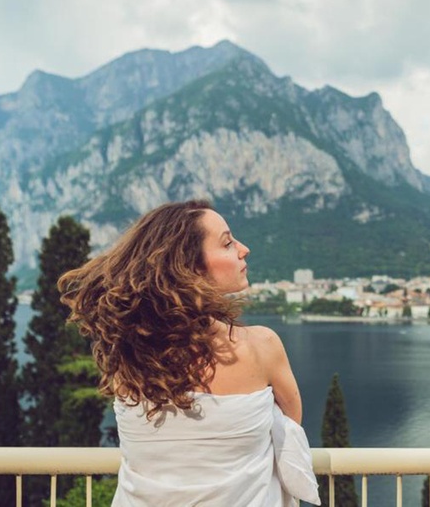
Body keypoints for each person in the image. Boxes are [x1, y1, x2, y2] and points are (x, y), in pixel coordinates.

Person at [58, 200, 319, 506]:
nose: (243, 248)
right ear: (189, 267)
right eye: (227, 242)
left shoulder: (128, 358)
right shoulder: (262, 346)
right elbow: (289, 423)